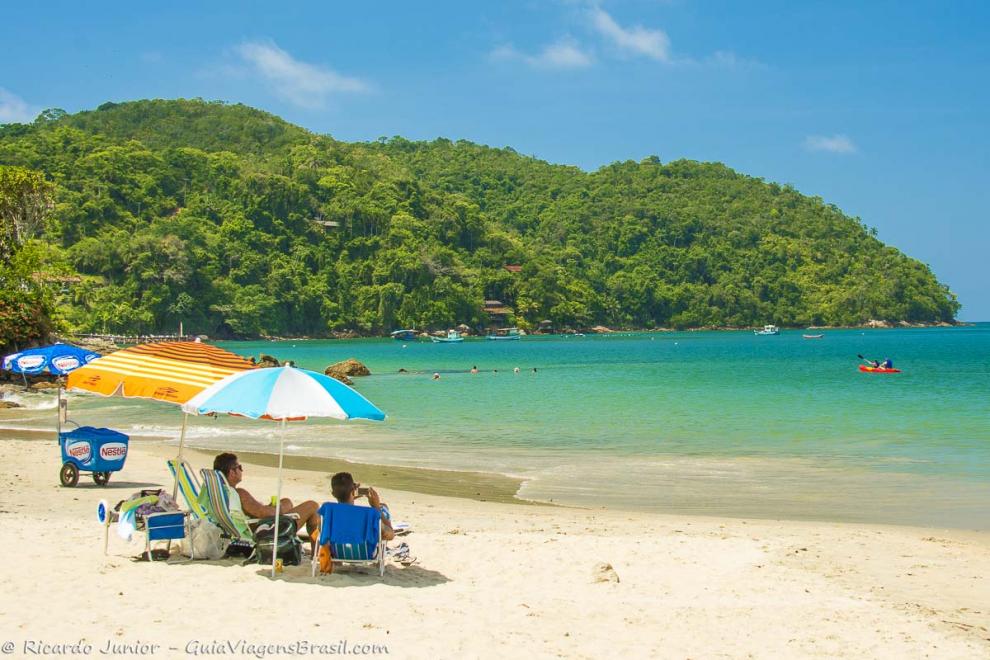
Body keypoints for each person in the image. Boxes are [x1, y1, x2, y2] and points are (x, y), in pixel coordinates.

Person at [209, 453, 320, 536]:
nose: (241, 470)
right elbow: (268, 514)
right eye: (240, 467)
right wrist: (275, 508)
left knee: (286, 501)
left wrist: (274, 507)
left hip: (244, 528)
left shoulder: (219, 493)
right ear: (232, 472)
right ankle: (315, 554)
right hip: (265, 532)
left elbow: (256, 511)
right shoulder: (239, 494)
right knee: (312, 505)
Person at [330, 472, 395, 541]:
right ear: (353, 491)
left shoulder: (328, 515)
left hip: (337, 551)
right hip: (365, 551)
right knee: (383, 507)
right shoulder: (368, 515)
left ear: (333, 494)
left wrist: (349, 496)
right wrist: (376, 508)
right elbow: (390, 535)